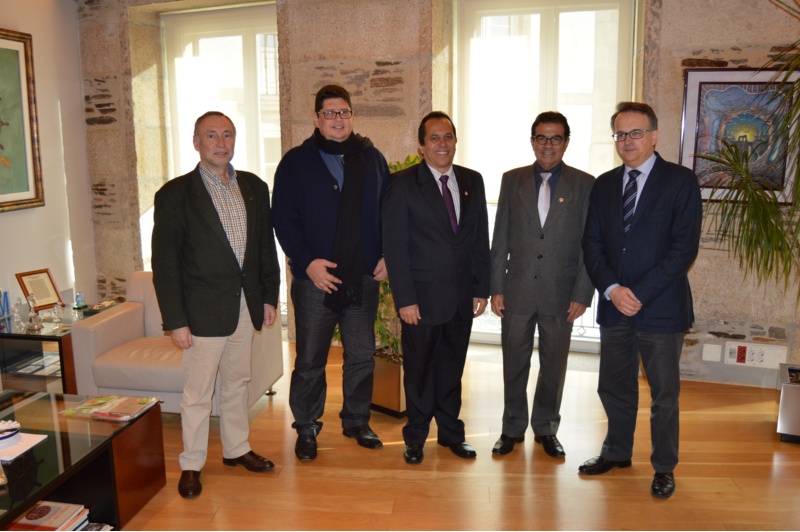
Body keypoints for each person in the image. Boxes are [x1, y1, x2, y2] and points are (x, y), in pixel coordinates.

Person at [152, 111, 281, 499]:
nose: (221, 142)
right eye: (211, 135)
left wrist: (269, 297)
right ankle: (191, 463)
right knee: (197, 393)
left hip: (246, 306)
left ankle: (236, 449)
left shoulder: (255, 187)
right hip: (201, 312)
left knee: (238, 383)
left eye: (227, 135)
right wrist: (176, 320)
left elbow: (264, 250)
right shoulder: (174, 195)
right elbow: (165, 264)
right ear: (196, 142)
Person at [580, 102, 702, 498]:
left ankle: (664, 467)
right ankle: (616, 452)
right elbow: (592, 244)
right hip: (615, 306)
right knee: (614, 387)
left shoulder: (681, 182)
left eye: (635, 133)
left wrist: (641, 294)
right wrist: (613, 290)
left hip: (661, 307)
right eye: (620, 134)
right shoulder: (603, 184)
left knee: (664, 395)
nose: (627, 141)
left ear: (654, 135)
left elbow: (683, 249)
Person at [271, 85, 390, 461]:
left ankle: (357, 421)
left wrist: (387, 254)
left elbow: (388, 211)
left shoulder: (372, 158)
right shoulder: (295, 162)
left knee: (361, 355)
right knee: (310, 360)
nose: (338, 119)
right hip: (313, 283)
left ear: (352, 116)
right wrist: (308, 262)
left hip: (362, 279)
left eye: (344, 112)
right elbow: (284, 220)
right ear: (316, 118)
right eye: (330, 113)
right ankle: (306, 426)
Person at [382, 111, 490, 465]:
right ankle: (415, 436)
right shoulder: (402, 184)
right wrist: (405, 299)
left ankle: (450, 434)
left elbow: (477, 240)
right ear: (421, 145)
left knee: (451, 367)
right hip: (422, 300)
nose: (442, 144)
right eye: (434, 138)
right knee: (419, 369)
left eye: (448, 137)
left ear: (455, 141)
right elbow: (395, 248)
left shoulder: (473, 180)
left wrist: (481, 288)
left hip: (461, 297)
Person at [489, 111, 595, 459]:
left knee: (554, 365)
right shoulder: (511, 180)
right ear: (532, 140)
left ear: (566, 141)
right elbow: (500, 235)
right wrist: (496, 287)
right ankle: (512, 428)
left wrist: (582, 292)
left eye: (556, 138)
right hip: (516, 289)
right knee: (514, 362)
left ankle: (547, 427)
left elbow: (590, 245)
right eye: (541, 138)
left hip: (561, 294)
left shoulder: (585, 184)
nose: (548, 145)